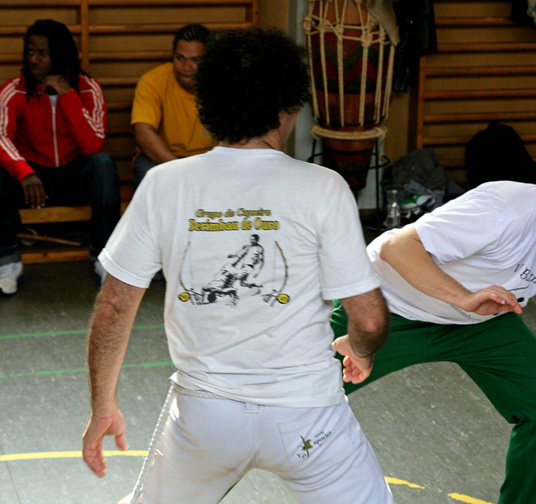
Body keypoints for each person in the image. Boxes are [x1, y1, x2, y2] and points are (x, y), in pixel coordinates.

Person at [82, 27, 394, 504]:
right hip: (309, 418)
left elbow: (112, 309)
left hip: (205, 421)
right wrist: (361, 349)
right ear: (288, 108)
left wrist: (102, 404)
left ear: (208, 103)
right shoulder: (323, 187)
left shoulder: (164, 184)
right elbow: (368, 320)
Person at [332, 168, 536, 504]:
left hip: (476, 320)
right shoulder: (504, 209)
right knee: (295, 391)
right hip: (388, 305)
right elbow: (398, 247)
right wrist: (463, 298)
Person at [0, 19, 120, 294]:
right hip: (32, 182)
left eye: (42, 53)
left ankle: (103, 258)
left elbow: (93, 144)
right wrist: (24, 172)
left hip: (72, 177)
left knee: (103, 164)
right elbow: (1, 137)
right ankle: (7, 261)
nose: (34, 59)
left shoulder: (88, 88)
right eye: (30, 52)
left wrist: (67, 95)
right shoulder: (14, 90)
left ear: (61, 54)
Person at [130, 23, 215, 189]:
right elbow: (142, 131)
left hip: (208, 159)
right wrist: (179, 169)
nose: (186, 67)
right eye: (180, 58)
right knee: (145, 169)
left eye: (196, 60)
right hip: (165, 158)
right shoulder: (153, 81)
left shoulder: (222, 83)